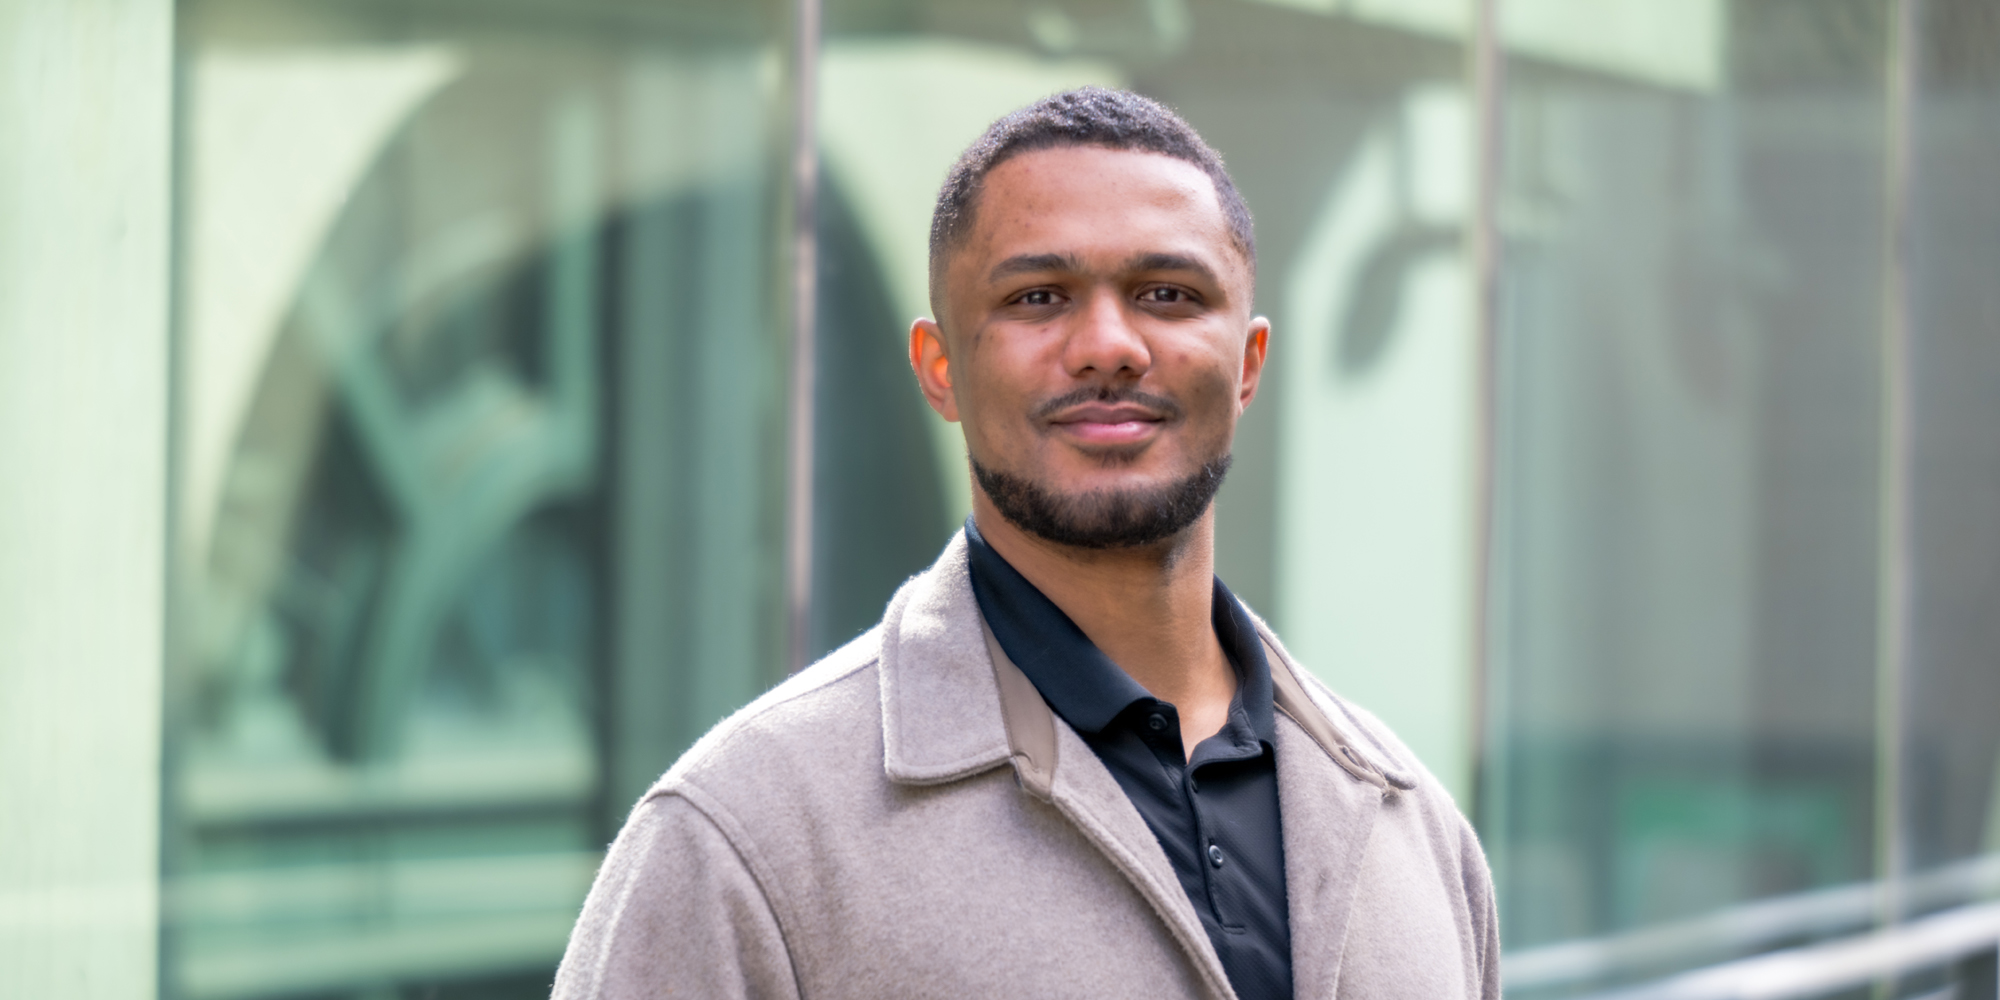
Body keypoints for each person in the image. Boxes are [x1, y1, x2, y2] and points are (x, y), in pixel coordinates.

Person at [552, 87, 1499, 1000]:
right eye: (1040, 298)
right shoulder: (745, 834)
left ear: (1248, 365)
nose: (1107, 345)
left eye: (1166, 293)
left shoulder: (1416, 831)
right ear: (940, 370)